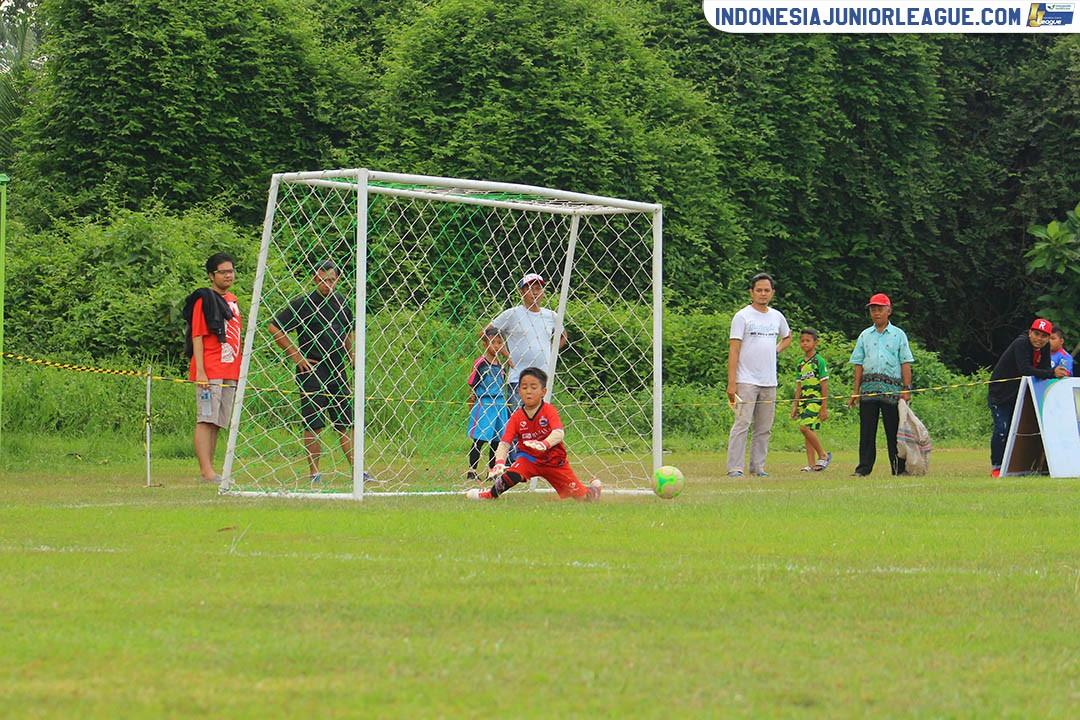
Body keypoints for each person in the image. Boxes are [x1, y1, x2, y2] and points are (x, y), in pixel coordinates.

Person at [267, 261, 356, 485]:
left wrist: (352, 356)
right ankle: (314, 473)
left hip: (338, 370)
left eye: (332, 280)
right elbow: (274, 327)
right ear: (315, 280)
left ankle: (358, 472)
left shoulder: (342, 303)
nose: (328, 284)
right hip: (313, 370)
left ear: (338, 280)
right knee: (313, 423)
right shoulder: (304, 304)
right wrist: (296, 356)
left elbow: (347, 332)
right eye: (324, 280)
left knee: (345, 421)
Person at [466, 367, 601, 501]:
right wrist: (499, 462)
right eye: (524, 387)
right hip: (528, 458)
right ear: (518, 391)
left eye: (533, 387)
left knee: (583, 498)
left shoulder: (549, 411)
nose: (528, 392)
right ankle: (489, 494)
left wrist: (544, 444)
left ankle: (595, 490)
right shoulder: (516, 417)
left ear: (543, 392)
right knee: (513, 475)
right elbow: (505, 443)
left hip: (553, 460)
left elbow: (559, 433)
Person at [182, 252, 242, 484]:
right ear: (211, 275)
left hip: (230, 368)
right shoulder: (204, 300)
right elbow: (197, 335)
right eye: (223, 272)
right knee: (206, 417)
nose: (228, 275)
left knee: (218, 420)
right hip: (210, 369)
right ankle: (205, 470)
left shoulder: (233, 300)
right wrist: (201, 372)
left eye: (231, 271)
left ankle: (212, 469)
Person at [725, 272, 792, 477]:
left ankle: (758, 467)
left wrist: (776, 350)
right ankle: (735, 467)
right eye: (759, 290)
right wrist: (731, 382)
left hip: (769, 381)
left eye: (767, 290)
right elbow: (734, 350)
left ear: (772, 293)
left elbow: (787, 337)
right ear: (751, 292)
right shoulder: (742, 316)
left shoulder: (777, 316)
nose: (763, 294)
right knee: (742, 423)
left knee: (764, 427)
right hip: (746, 380)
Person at [987, 318, 1069, 477]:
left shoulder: (1044, 348)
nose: (1039, 339)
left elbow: (1044, 369)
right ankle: (996, 466)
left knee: (1014, 431)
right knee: (1002, 430)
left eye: (1044, 336)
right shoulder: (1021, 343)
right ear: (1030, 332)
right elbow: (1025, 369)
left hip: (1020, 393)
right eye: (1036, 334)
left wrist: (1054, 375)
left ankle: (1015, 466)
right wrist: (1052, 373)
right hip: (1000, 393)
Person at [846, 293, 914, 477]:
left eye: (880, 309)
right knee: (867, 432)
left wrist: (906, 390)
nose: (876, 313)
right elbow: (858, 364)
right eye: (873, 309)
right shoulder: (865, 335)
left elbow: (905, 363)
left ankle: (898, 469)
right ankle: (863, 469)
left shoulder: (898, 335)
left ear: (888, 311)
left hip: (892, 392)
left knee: (893, 432)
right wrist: (855, 391)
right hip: (868, 390)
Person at [486, 272, 567, 399]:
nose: (535, 293)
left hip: (542, 379)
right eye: (530, 289)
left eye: (538, 289)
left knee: (540, 418)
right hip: (518, 379)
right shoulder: (512, 314)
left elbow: (563, 335)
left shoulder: (551, 316)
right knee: (518, 417)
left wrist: (550, 352)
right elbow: (486, 333)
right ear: (521, 292)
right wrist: (504, 352)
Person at [466, 328, 511, 481]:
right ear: (485, 345)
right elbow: (472, 382)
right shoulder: (481, 363)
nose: (497, 346)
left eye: (500, 343)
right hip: (485, 404)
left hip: (500, 404)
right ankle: (472, 471)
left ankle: (491, 472)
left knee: (497, 441)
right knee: (480, 439)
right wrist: (472, 400)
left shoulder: (501, 365)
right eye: (493, 343)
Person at [790, 327, 832, 473]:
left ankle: (823, 454)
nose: (804, 344)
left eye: (808, 341)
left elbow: (824, 383)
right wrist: (795, 405)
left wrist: (824, 406)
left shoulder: (819, 361)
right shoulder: (801, 363)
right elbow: (799, 385)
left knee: (805, 428)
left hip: (815, 400)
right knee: (807, 431)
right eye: (802, 341)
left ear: (815, 342)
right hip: (803, 401)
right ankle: (811, 464)